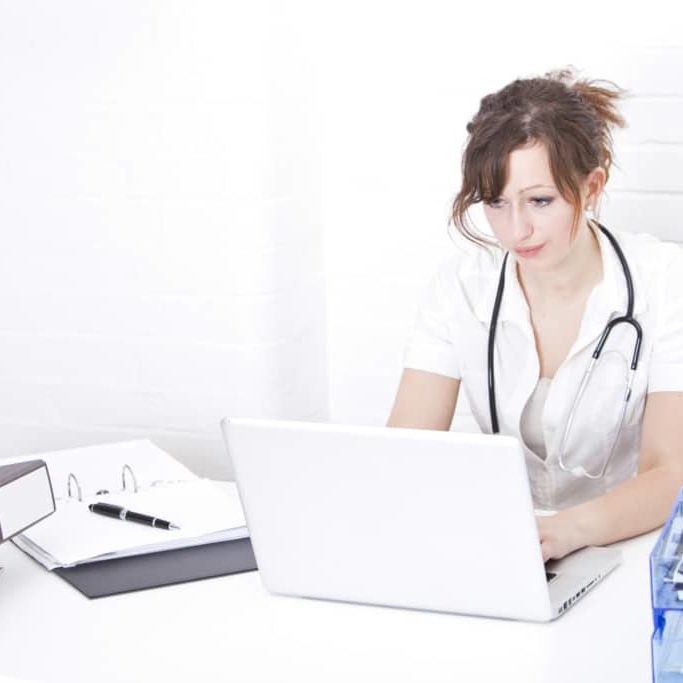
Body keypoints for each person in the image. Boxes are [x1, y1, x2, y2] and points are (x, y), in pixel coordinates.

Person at [387, 68, 683, 562]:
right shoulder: (461, 286)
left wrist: (563, 532)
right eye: (496, 204)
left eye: (539, 201)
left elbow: (670, 472)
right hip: (511, 548)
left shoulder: (666, 282)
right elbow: (402, 455)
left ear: (591, 187)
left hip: (631, 547)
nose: (516, 230)